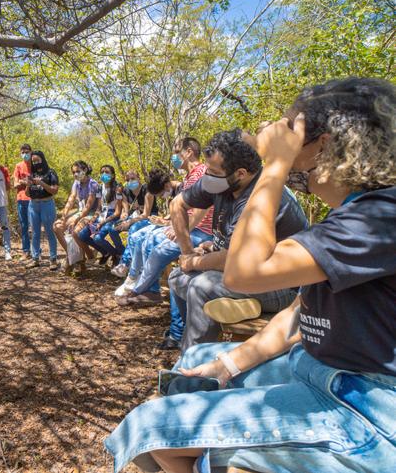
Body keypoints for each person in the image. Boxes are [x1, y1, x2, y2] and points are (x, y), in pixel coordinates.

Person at [105, 77, 396, 473]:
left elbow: (243, 273)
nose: (287, 153)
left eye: (294, 138)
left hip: (364, 402)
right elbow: (299, 313)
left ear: (326, 146)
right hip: (314, 367)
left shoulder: (380, 217)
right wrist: (226, 366)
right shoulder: (352, 215)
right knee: (192, 364)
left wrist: (273, 168)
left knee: (150, 427)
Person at [168, 129, 308, 353]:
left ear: (241, 173)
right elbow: (177, 205)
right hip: (238, 273)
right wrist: (188, 253)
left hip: (278, 285)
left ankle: (191, 364)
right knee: (177, 278)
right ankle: (218, 331)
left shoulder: (263, 195)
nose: (207, 176)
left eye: (213, 171)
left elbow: (238, 259)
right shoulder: (223, 181)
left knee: (201, 287)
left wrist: (194, 263)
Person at [114, 139, 214, 308]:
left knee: (157, 248)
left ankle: (141, 289)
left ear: (188, 152)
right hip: (189, 228)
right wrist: (171, 224)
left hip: (200, 232)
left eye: (176, 152)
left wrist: (181, 230)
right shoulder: (189, 177)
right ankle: (146, 288)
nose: (174, 157)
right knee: (146, 239)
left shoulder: (201, 173)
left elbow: (201, 210)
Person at [109, 169, 158, 278]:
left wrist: (130, 222)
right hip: (134, 216)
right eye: (127, 180)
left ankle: (124, 264)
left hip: (149, 217)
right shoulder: (126, 191)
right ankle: (121, 253)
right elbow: (126, 208)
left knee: (133, 229)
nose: (130, 181)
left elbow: (146, 214)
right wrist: (124, 214)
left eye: (132, 178)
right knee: (113, 228)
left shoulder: (147, 190)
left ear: (138, 178)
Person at [53, 160, 99, 273]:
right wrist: (64, 215)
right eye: (73, 172)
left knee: (75, 228)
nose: (75, 174)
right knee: (57, 226)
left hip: (92, 214)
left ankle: (82, 259)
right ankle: (74, 257)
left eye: (78, 171)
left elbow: (89, 206)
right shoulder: (76, 183)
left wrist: (77, 219)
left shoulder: (92, 184)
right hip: (80, 211)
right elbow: (72, 198)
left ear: (85, 170)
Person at [77, 164, 124, 265]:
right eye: (102, 172)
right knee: (82, 235)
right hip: (102, 214)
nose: (104, 174)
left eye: (107, 172)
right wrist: (94, 218)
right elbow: (99, 207)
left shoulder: (118, 188)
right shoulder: (99, 187)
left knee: (98, 238)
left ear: (113, 175)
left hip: (112, 216)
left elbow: (118, 212)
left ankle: (118, 255)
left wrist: (103, 222)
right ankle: (107, 252)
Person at [25, 150, 60, 269]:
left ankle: (53, 259)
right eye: (33, 161)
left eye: (37, 160)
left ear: (42, 159)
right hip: (33, 205)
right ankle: (35, 258)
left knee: (50, 231)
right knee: (35, 233)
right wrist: (28, 185)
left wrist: (41, 183)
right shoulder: (32, 174)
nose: (35, 163)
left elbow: (54, 190)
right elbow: (27, 193)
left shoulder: (51, 173)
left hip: (47, 204)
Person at [13, 143, 33, 258]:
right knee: (24, 226)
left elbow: (37, 182)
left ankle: (36, 251)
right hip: (21, 199)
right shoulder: (18, 166)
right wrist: (24, 182)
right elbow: (15, 184)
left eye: (27, 152)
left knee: (34, 226)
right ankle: (26, 251)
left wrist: (23, 181)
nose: (25, 154)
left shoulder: (35, 165)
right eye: (23, 152)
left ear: (31, 152)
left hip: (33, 199)